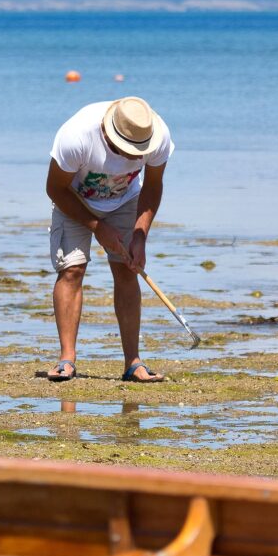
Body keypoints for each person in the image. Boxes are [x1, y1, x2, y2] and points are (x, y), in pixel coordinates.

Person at [44, 95, 173, 382]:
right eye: (127, 150)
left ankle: (133, 363)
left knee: (128, 270)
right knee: (72, 269)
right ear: (108, 133)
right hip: (73, 198)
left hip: (126, 200)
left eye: (138, 152)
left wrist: (140, 235)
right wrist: (97, 226)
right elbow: (54, 189)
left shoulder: (158, 136)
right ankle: (67, 360)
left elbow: (153, 186)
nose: (133, 158)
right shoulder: (76, 136)